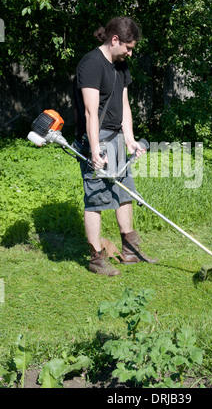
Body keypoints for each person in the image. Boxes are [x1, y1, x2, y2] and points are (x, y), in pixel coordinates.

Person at [73, 16, 157, 276]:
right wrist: (95, 149)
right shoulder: (91, 64)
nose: (130, 53)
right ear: (114, 39)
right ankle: (96, 257)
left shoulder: (121, 66)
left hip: (117, 139)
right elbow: (90, 112)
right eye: (128, 47)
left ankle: (130, 251)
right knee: (96, 198)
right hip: (95, 139)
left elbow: (124, 105)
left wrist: (130, 140)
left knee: (124, 192)